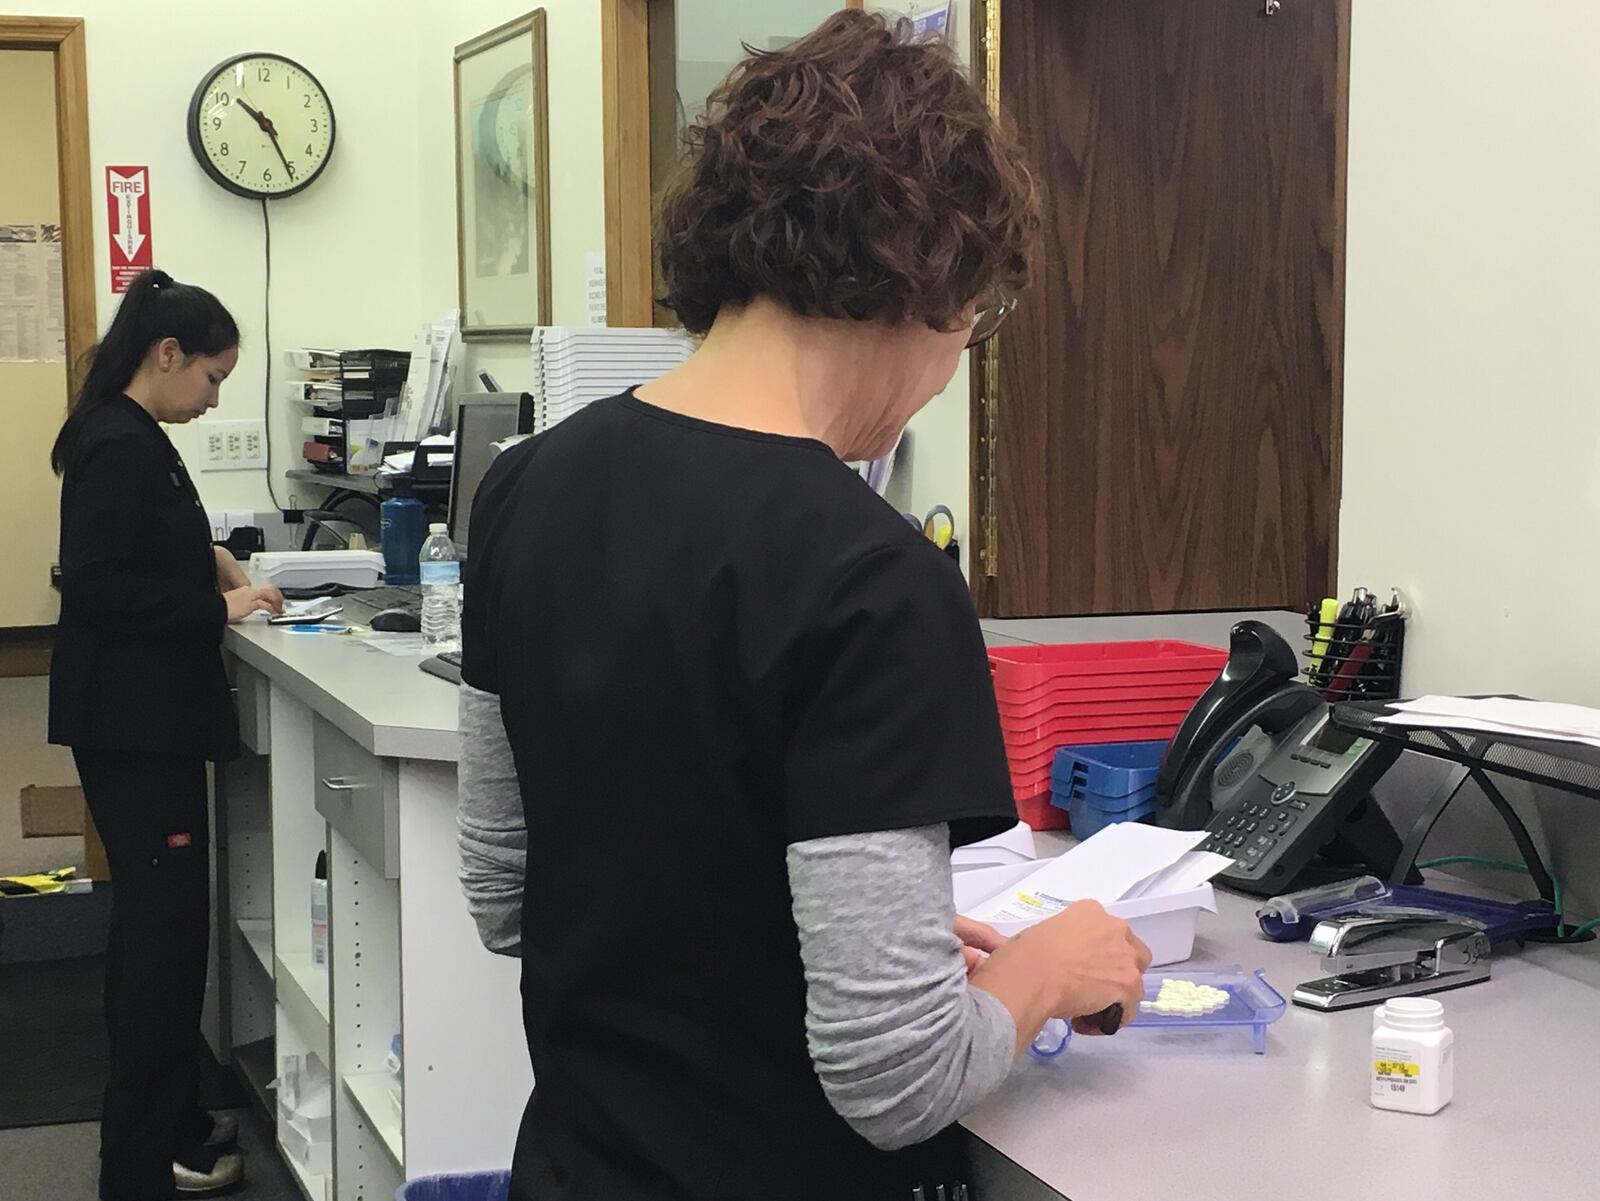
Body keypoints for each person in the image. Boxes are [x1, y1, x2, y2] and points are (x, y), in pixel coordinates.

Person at [456, 12, 1151, 1200]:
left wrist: (870, 957)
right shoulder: (874, 582)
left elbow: (510, 893)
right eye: (975, 325)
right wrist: (1042, 967)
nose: (947, 375)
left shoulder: (526, 486)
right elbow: (897, 1081)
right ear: (931, 283)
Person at [48, 268, 283, 1201]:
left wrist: (213, 556)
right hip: (132, 727)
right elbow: (98, 585)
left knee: (173, 933)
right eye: (214, 377)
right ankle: (140, 1165)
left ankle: (176, 1118)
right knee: (159, 942)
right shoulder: (116, 443)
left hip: (145, 720)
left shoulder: (135, 432)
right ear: (168, 354)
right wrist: (218, 606)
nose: (216, 396)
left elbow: (150, 539)